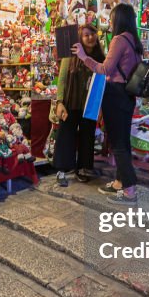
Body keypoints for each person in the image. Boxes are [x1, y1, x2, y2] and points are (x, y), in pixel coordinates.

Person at [73, 3, 143, 204]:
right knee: (123, 140)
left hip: (115, 94)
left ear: (118, 19)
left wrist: (84, 57)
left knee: (118, 143)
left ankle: (129, 190)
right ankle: (120, 181)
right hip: (127, 96)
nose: (109, 22)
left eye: (111, 18)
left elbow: (105, 69)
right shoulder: (134, 41)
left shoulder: (119, 40)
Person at [53, 17, 105, 187]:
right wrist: (59, 102)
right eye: (85, 35)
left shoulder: (100, 58)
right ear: (79, 39)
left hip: (90, 103)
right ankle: (62, 169)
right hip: (71, 101)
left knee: (87, 135)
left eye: (92, 34)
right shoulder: (71, 55)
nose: (90, 37)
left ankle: (83, 168)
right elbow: (61, 80)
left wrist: (100, 108)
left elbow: (102, 83)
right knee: (65, 134)